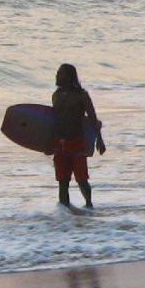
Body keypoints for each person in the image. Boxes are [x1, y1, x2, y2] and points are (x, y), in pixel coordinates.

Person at [50, 63, 106, 209]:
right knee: (63, 181)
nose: (57, 76)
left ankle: (89, 206)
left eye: (60, 73)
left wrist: (99, 139)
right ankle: (65, 214)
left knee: (81, 179)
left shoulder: (81, 96)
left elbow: (92, 118)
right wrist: (46, 143)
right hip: (59, 143)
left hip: (76, 142)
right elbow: (53, 120)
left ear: (69, 76)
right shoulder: (56, 95)